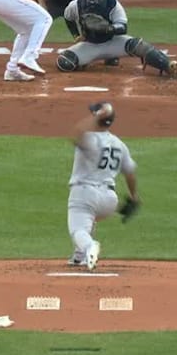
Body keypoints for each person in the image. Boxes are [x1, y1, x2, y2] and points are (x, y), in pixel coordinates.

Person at [57, 0, 177, 78]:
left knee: (139, 46)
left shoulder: (112, 3)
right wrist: (76, 35)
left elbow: (123, 27)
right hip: (90, 45)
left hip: (113, 41)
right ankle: (98, 59)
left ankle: (168, 65)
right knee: (65, 63)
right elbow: (68, 18)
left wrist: (108, 28)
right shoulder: (76, 4)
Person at [65, 101, 138, 271]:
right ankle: (79, 256)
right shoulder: (119, 144)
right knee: (88, 219)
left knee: (77, 230)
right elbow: (130, 173)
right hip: (109, 201)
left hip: (84, 194)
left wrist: (96, 119)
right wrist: (134, 196)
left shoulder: (90, 139)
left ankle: (89, 247)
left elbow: (75, 134)